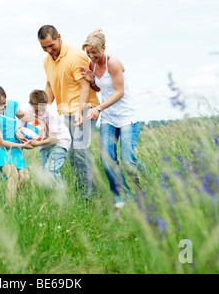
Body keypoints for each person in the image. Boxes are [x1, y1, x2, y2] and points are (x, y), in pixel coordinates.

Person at [80, 28, 148, 208]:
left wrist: (98, 108)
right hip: (109, 117)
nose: (91, 56)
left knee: (128, 159)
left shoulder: (114, 62)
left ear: (103, 48)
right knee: (107, 157)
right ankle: (121, 197)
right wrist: (92, 80)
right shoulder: (92, 65)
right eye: (88, 52)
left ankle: (148, 188)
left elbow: (119, 92)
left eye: (94, 52)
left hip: (126, 116)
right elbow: (101, 88)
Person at [37, 25, 100, 200]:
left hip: (85, 108)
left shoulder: (75, 56)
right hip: (65, 111)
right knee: (69, 151)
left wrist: (80, 111)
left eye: (51, 45)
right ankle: (83, 193)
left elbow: (84, 87)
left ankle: (90, 197)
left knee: (79, 149)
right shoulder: (47, 60)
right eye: (44, 48)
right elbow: (50, 86)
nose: (49, 50)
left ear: (59, 37)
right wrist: (42, 112)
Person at [0, 85, 35, 204]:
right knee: (13, 174)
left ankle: (21, 203)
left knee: (25, 177)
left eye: (4, 102)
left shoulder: (13, 105)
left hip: (14, 143)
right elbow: (0, 142)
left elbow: (25, 118)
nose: (3, 106)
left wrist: (21, 128)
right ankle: (11, 208)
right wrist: (23, 146)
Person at [17, 90, 71, 190]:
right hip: (44, 145)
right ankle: (49, 197)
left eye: (43, 109)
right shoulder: (27, 111)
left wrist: (37, 143)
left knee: (51, 170)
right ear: (30, 105)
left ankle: (60, 195)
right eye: (37, 110)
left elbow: (53, 138)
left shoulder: (51, 112)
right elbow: (20, 128)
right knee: (43, 173)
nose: (41, 112)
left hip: (59, 142)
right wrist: (21, 135)